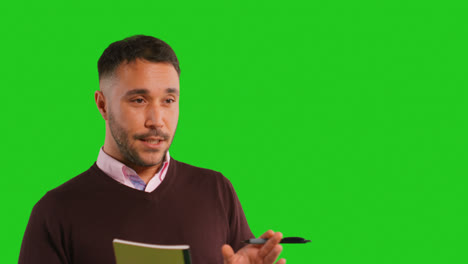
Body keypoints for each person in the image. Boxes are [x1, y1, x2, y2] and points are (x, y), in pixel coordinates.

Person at [18, 35, 286, 264]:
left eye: (169, 100)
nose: (157, 120)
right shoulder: (54, 212)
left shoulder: (216, 190)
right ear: (103, 105)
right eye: (138, 100)